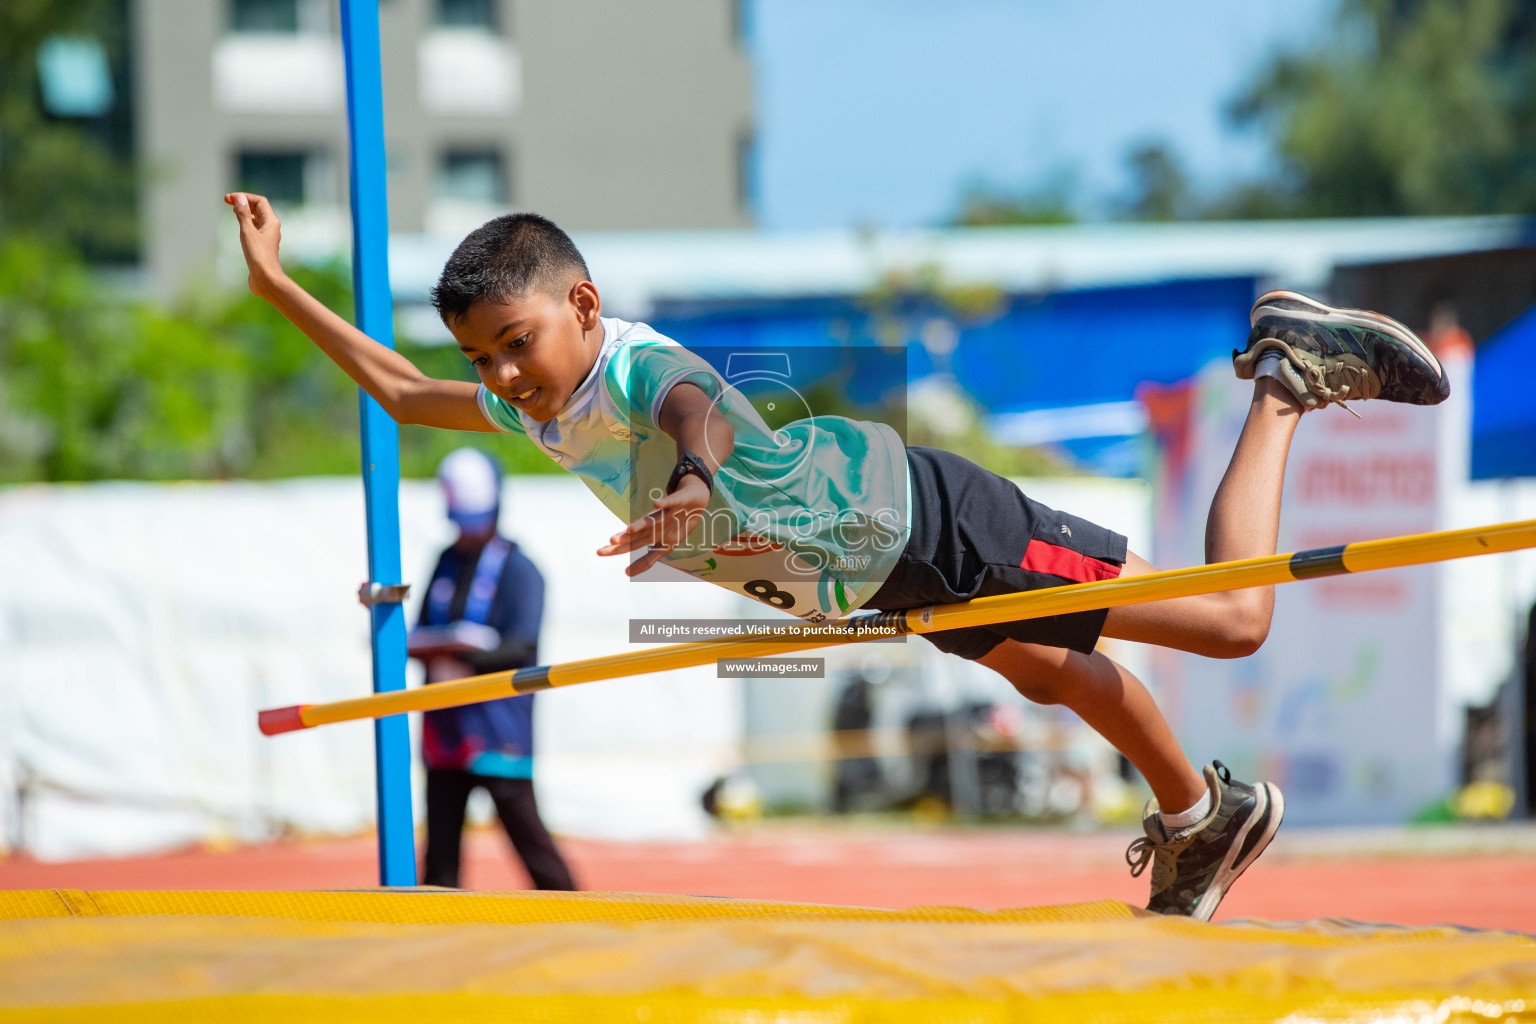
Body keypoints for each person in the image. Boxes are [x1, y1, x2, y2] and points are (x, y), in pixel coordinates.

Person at [225, 191, 1448, 920]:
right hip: (879, 578)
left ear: (584, 308)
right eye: (484, 354)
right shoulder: (527, 407)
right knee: (1052, 672)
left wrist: (695, 489)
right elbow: (396, 390)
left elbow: (693, 412)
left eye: (514, 341)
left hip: (921, 522)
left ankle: (1283, 380)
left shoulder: (637, 364)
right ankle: (1202, 813)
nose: (498, 373)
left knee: (1230, 621)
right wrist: (279, 288)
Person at [407, 446, 576, 891]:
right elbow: (422, 626)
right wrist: (434, 648)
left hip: (497, 726)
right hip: (444, 726)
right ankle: (434, 933)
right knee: (440, 854)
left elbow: (521, 645)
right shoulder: (445, 561)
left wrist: (464, 656)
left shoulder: (521, 571)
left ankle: (579, 916)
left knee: (530, 841)